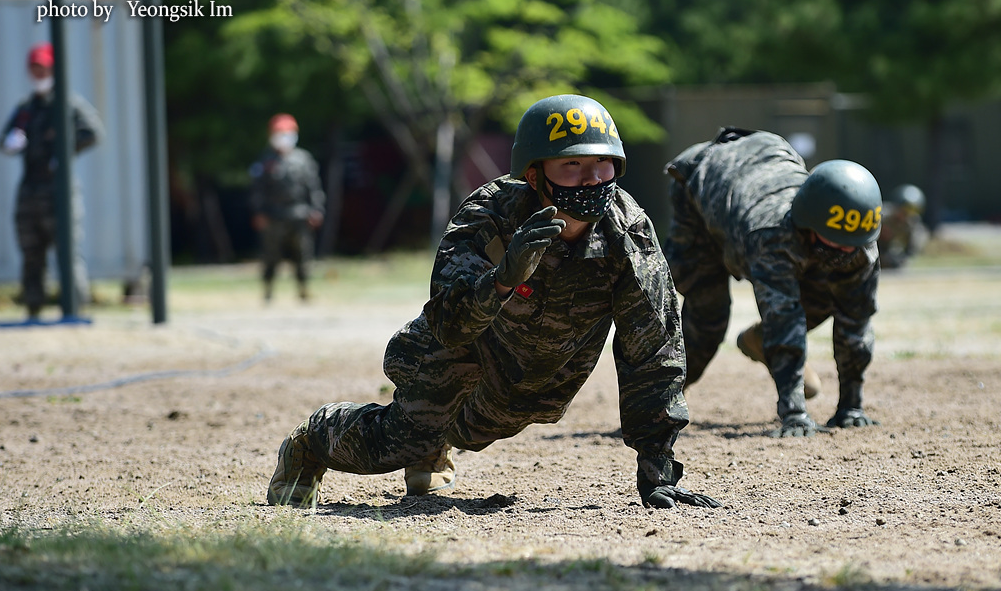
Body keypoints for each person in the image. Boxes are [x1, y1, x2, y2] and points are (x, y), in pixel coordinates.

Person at [267, 94, 721, 511]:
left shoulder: (628, 231)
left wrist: (656, 469)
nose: (591, 178)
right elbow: (448, 323)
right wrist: (502, 281)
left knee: (478, 431)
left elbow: (654, 350)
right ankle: (312, 441)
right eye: (573, 165)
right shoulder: (490, 214)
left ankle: (434, 440)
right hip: (450, 356)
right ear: (534, 174)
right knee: (397, 441)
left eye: (603, 164)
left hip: (530, 382)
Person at [663, 128, 882, 437]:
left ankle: (757, 339)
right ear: (808, 223)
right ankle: (654, 405)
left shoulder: (858, 239)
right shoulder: (772, 234)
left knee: (826, 297)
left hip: (763, 165)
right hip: (702, 184)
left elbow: (856, 320)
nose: (846, 251)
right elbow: (783, 318)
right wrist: (794, 414)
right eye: (835, 242)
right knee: (708, 314)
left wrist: (851, 407)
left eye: (852, 244)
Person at [0, 42, 104, 320]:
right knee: (31, 254)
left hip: (59, 191)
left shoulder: (67, 103)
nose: (38, 73)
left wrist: (65, 151)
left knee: (67, 253)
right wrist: (12, 143)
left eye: (42, 67)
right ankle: (33, 310)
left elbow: (93, 132)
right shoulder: (26, 107)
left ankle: (75, 310)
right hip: (30, 191)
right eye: (34, 68)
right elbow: (3, 141)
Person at [249, 113, 325, 301]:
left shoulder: (303, 159)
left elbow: (313, 187)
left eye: (288, 132)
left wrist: (317, 209)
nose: (284, 137)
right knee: (270, 255)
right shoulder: (265, 161)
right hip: (273, 216)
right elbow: (257, 190)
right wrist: (258, 212)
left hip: (299, 215)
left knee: (302, 254)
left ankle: (303, 288)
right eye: (280, 132)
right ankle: (268, 289)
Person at [877, 184, 929, 270]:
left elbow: (911, 251)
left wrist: (900, 259)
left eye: (912, 211)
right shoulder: (882, 217)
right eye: (904, 210)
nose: (907, 215)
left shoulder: (913, 226)